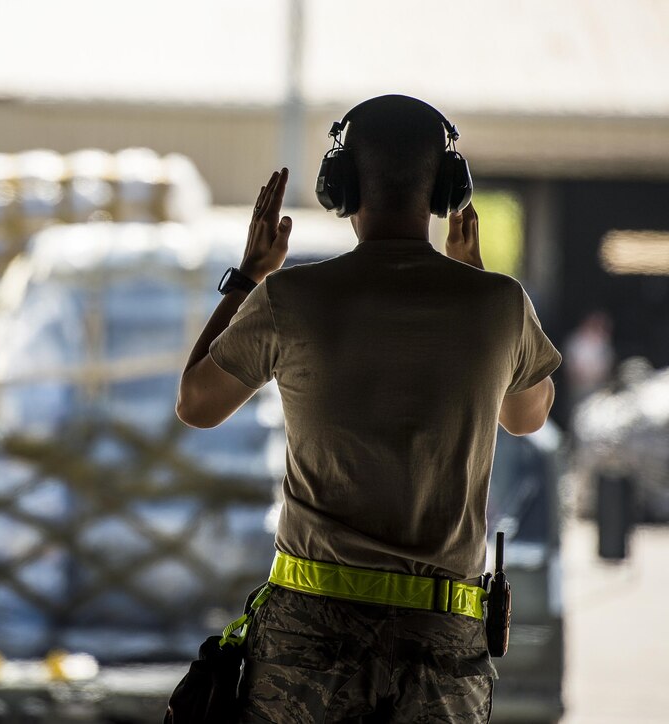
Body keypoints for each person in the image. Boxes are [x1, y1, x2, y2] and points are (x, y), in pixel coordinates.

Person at [176, 95, 561, 723]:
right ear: (445, 191)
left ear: (341, 186)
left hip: (309, 639)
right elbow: (527, 416)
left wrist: (247, 276)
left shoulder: (288, 298)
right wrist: (476, 280)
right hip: (441, 640)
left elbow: (196, 404)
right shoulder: (499, 305)